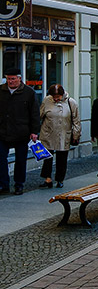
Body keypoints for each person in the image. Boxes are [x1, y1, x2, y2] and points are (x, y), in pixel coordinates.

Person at [0, 67, 40, 195]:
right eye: (8, 79)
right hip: (2, 131)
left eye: (12, 79)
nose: (10, 81)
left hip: (22, 132)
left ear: (19, 78)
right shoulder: (1, 91)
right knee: (1, 159)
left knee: (20, 160)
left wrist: (34, 131)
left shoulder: (29, 93)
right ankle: (3, 184)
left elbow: (34, 113)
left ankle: (19, 184)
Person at [38, 84, 80, 189]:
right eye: (54, 97)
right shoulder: (47, 100)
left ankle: (60, 179)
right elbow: (40, 115)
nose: (56, 99)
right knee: (47, 157)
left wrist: (76, 135)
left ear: (62, 94)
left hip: (63, 133)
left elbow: (76, 120)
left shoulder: (71, 102)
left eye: (58, 97)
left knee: (62, 158)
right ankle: (47, 179)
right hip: (48, 133)